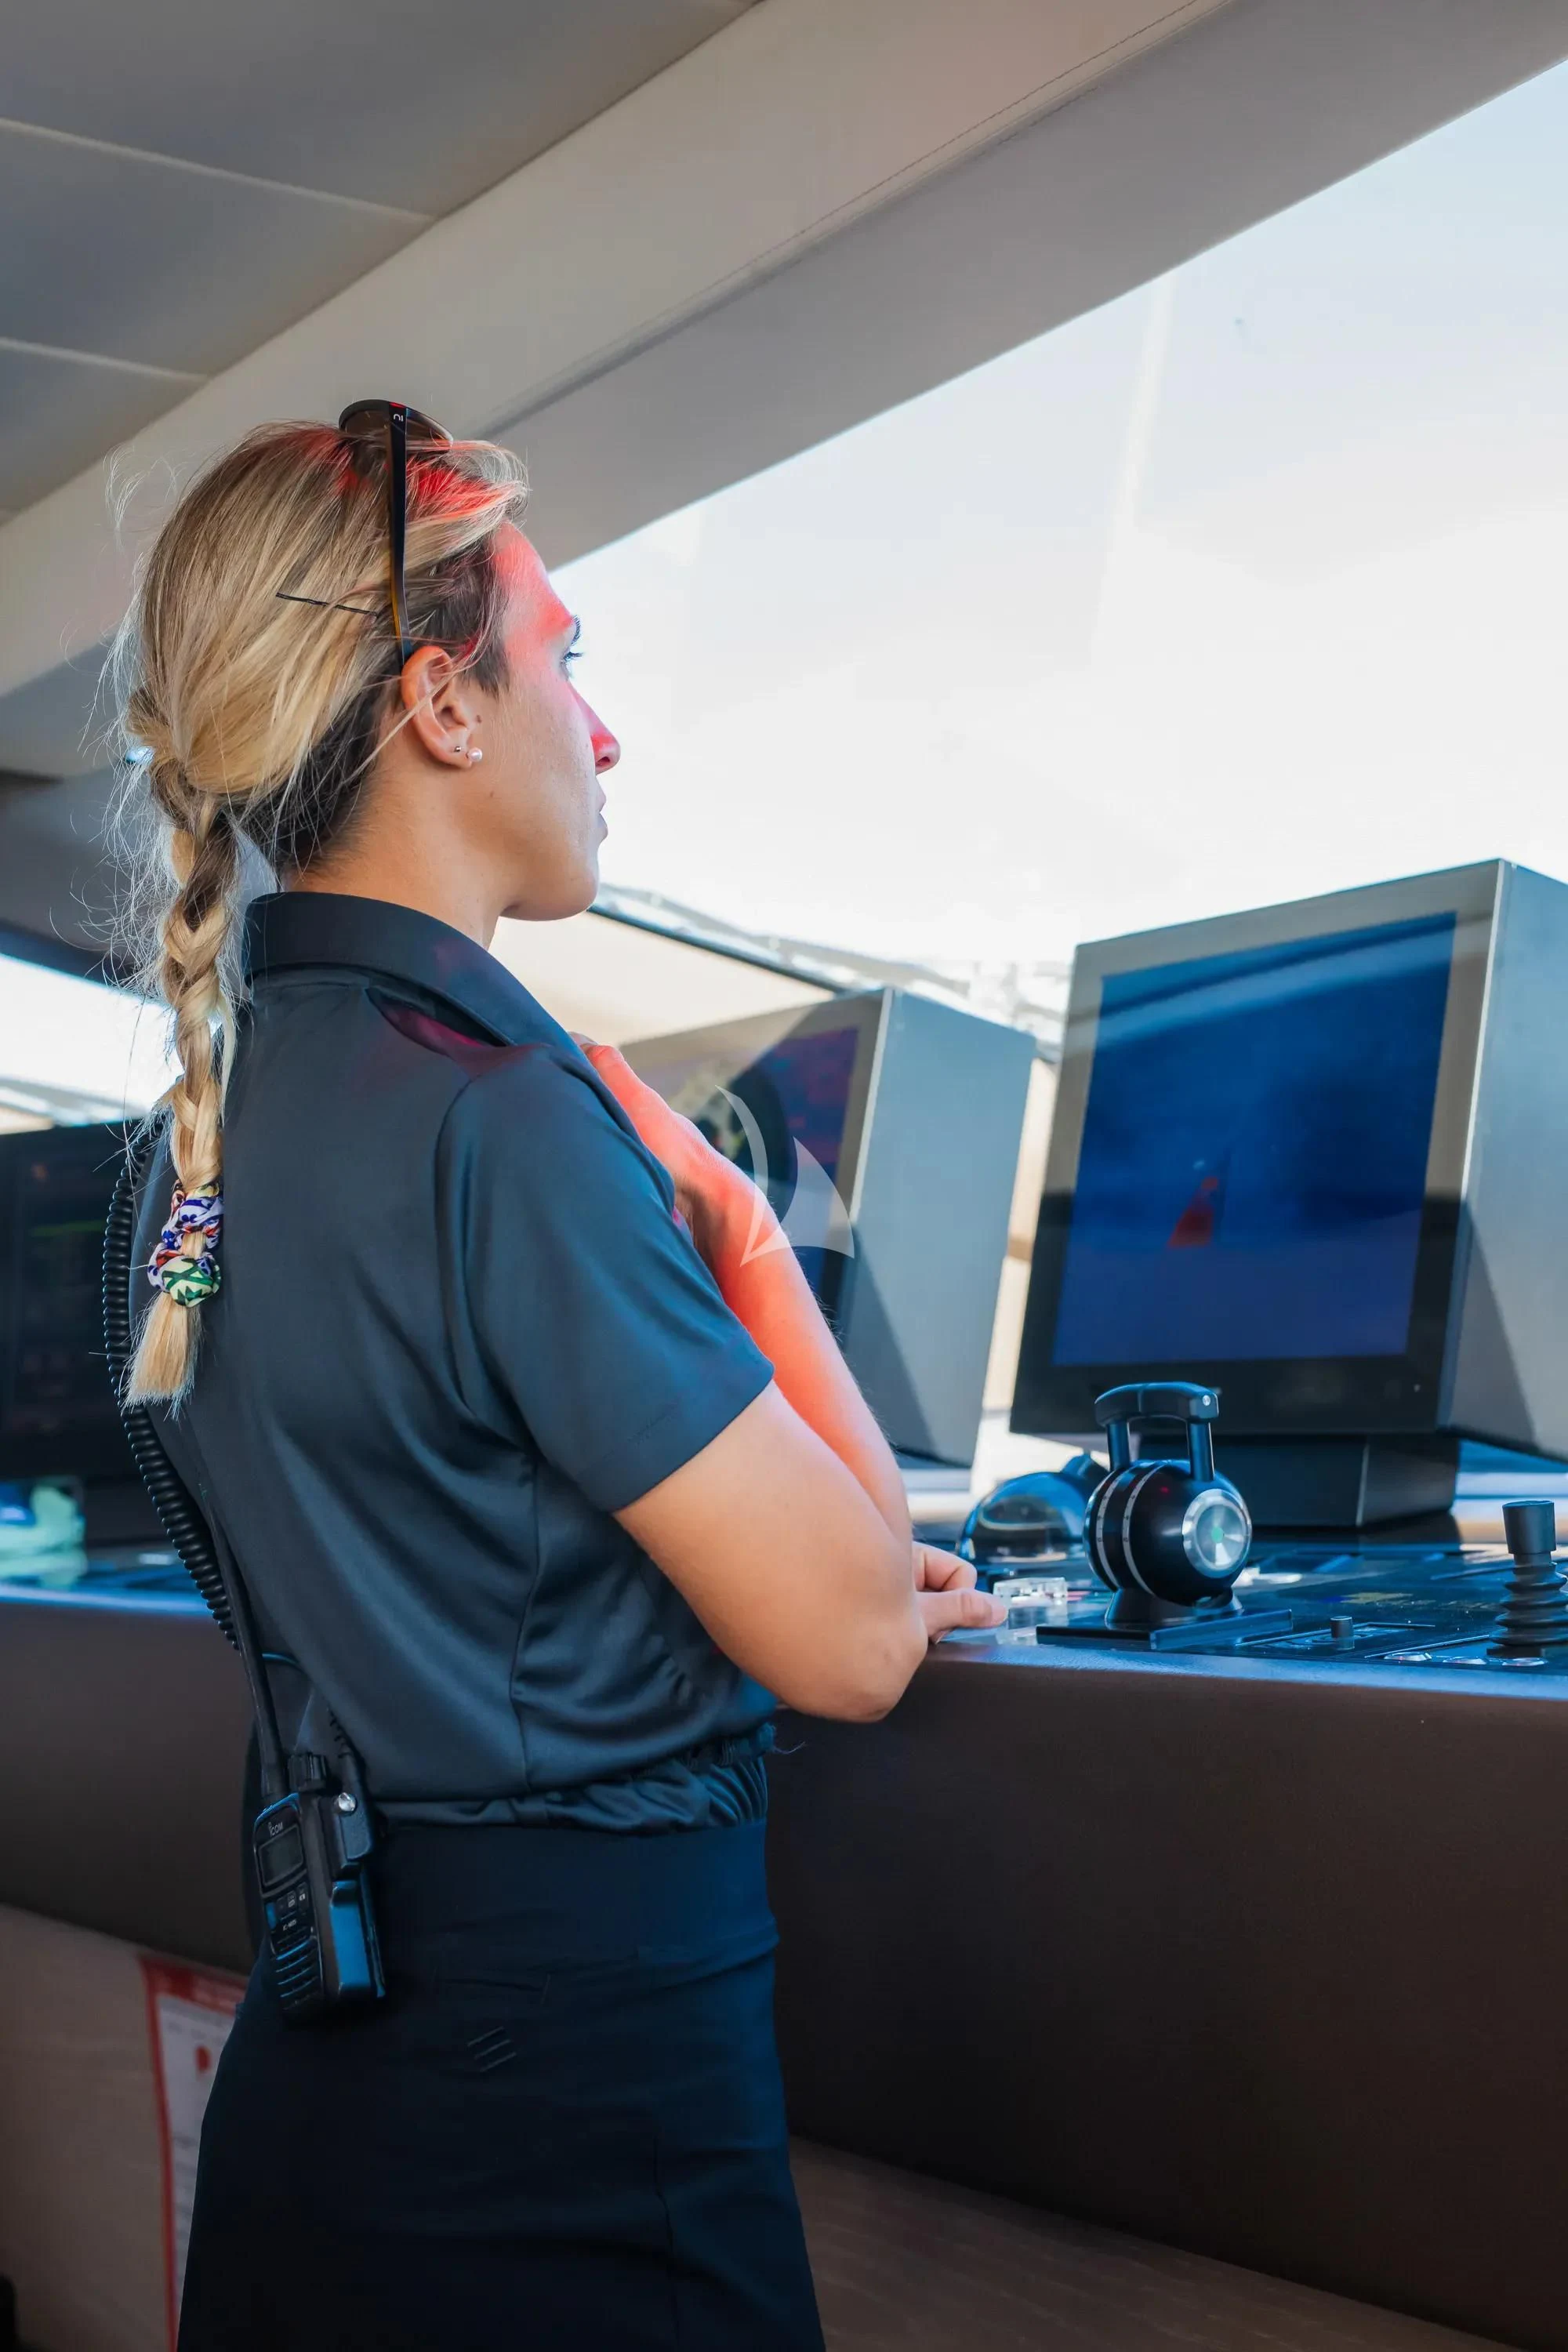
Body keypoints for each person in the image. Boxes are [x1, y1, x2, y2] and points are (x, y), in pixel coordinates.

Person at [111, 405, 1004, 2352]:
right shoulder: (504, 1125)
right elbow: (856, 1640)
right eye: (567, 660)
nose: (597, 730)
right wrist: (741, 1238)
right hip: (573, 2136)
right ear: (444, 701)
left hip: (329, 2098)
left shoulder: (191, 1154)